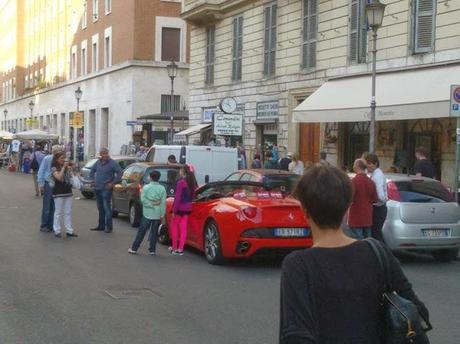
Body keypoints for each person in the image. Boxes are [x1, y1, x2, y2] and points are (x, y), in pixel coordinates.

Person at [279, 165, 429, 343]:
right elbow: (418, 311)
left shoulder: (298, 265)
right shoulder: (377, 252)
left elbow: (295, 335)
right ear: (347, 208)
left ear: (304, 210)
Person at [128, 170, 166, 255]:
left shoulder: (146, 187)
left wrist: (151, 204)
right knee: (154, 232)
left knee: (142, 231)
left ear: (151, 177)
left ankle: (134, 248)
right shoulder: (162, 188)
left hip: (147, 213)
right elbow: (163, 203)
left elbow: (143, 200)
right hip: (157, 213)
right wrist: (162, 214)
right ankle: (152, 250)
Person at [89, 148, 122, 233]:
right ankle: (101, 226)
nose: (104, 155)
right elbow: (92, 171)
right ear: (100, 154)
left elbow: (120, 173)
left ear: (108, 153)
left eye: (105, 153)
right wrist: (92, 180)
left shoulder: (112, 163)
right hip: (97, 188)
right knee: (100, 208)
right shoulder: (98, 162)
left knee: (107, 208)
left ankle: (109, 227)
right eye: (102, 154)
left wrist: (113, 183)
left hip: (106, 189)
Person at [169, 164, 197, 256]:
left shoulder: (181, 182)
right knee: (183, 228)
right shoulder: (192, 183)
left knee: (174, 227)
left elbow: (177, 198)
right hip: (188, 207)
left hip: (180, 208)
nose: (179, 172)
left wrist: (174, 210)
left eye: (180, 170)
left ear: (183, 172)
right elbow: (193, 196)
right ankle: (181, 249)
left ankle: (174, 247)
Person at [347, 159, 378, 240]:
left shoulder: (353, 181)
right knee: (368, 241)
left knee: (357, 241)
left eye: (354, 164)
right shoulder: (371, 182)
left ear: (357, 166)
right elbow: (375, 199)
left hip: (355, 218)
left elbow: (349, 198)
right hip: (367, 217)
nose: (353, 166)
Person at [51, 152, 77, 238]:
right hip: (58, 192)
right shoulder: (54, 168)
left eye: (64, 158)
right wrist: (63, 168)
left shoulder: (67, 167)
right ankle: (57, 230)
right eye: (61, 158)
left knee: (68, 212)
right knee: (58, 212)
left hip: (68, 191)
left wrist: (71, 169)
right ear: (57, 159)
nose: (63, 160)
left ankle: (69, 230)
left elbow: (71, 177)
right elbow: (58, 177)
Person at [37, 145, 63, 232]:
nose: (58, 153)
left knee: (54, 206)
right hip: (48, 183)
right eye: (57, 151)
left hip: (57, 184)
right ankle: (44, 225)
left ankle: (51, 225)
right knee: (47, 206)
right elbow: (41, 170)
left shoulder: (60, 160)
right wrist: (41, 184)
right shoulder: (47, 158)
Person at [364, 153, 388, 243]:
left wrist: (383, 200)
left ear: (376, 164)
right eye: (367, 163)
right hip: (379, 208)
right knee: (376, 233)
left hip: (378, 208)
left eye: (370, 163)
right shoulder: (376, 173)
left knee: (376, 234)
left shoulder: (377, 175)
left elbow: (380, 194)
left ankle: (383, 254)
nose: (368, 166)